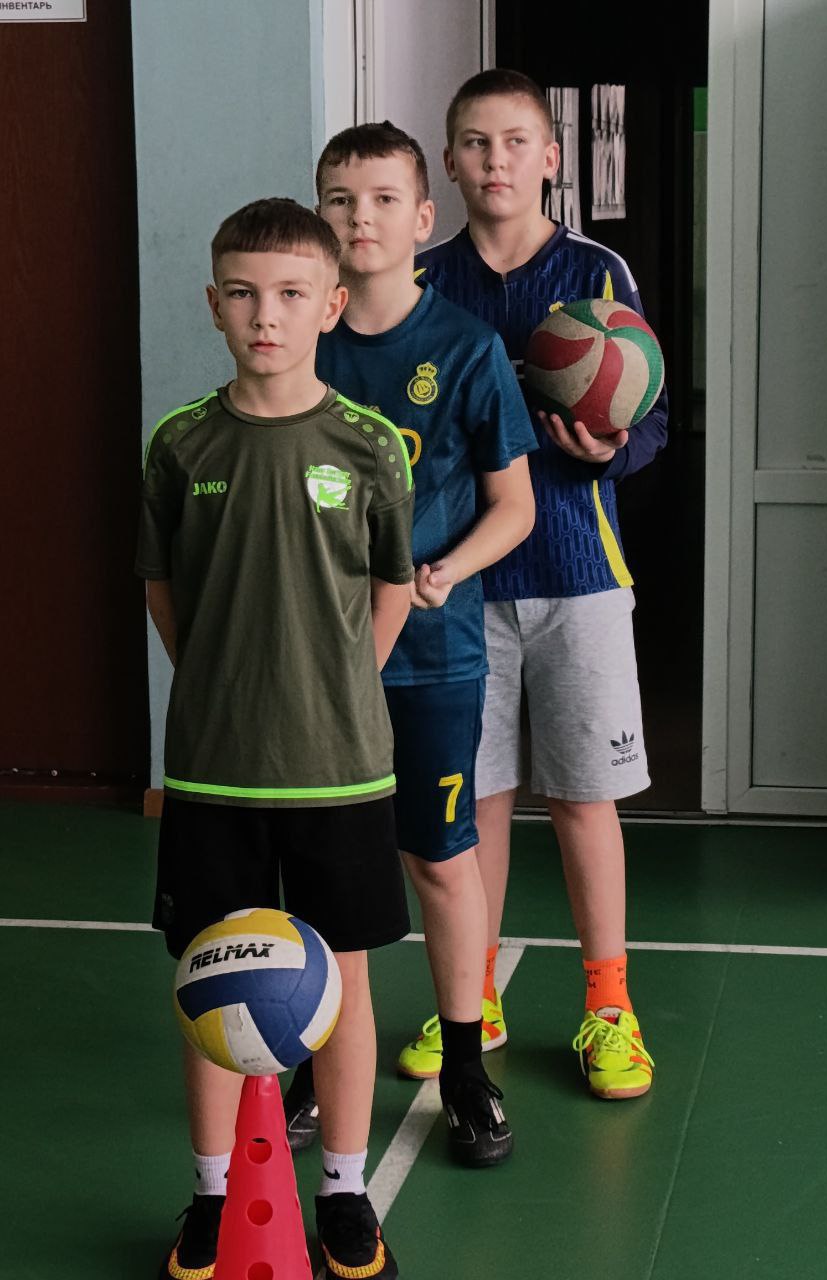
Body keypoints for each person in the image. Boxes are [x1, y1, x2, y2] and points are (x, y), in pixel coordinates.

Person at [138, 197, 414, 1280]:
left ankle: (343, 1189)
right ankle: (212, 1191)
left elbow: (388, 592)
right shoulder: (180, 444)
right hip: (215, 771)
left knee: (342, 982)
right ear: (213, 304)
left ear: (330, 305)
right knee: (208, 981)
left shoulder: (369, 444)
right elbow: (164, 592)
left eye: (292, 294)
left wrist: (335, 686)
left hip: (339, 772)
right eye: (245, 294)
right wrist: (223, 682)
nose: (267, 315)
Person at [407, 69, 669, 1100]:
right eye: (475, 143)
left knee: (583, 800)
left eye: (515, 141)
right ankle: (472, 996)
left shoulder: (596, 272)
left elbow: (649, 418)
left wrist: (610, 447)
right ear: (449, 160)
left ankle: (609, 1006)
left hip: (577, 576)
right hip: (461, 583)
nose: (496, 160)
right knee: (473, 803)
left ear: (551, 156)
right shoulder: (425, 280)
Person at [283, 120, 537, 1166]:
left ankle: (466, 1066)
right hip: (320, 661)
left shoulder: (465, 349)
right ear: (320, 216)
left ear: (423, 217)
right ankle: (312, 1061)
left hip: (433, 656)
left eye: (384, 198)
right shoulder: (297, 339)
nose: (362, 218)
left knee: (439, 859)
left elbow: (514, 507)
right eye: (340, 199)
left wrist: (449, 567)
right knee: (320, 870)